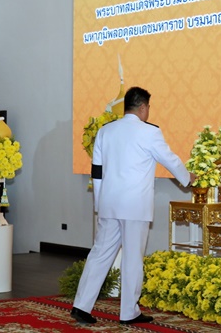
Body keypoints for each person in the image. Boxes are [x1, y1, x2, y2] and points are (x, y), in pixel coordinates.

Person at [71, 87, 194, 325]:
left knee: (99, 254)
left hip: (108, 204)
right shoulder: (150, 132)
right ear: (143, 107)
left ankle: (81, 306)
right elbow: (169, 159)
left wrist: (100, 203)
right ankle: (129, 312)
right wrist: (187, 178)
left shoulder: (105, 131)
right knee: (133, 258)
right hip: (135, 206)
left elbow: (97, 172)